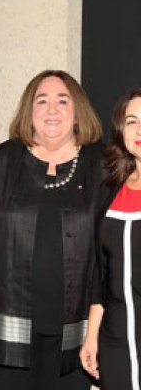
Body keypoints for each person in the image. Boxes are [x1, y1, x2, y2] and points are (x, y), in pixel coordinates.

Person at [0, 70, 104, 389]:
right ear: (29, 112)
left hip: (76, 326)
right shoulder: (3, 159)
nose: (52, 109)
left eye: (63, 100)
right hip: (10, 321)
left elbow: (111, 243)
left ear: (78, 112)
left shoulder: (102, 163)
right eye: (41, 101)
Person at [80, 87, 141, 389]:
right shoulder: (110, 190)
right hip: (115, 339)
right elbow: (99, 272)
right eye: (132, 121)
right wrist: (91, 337)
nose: (140, 129)